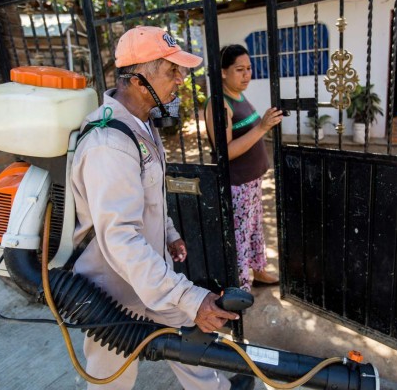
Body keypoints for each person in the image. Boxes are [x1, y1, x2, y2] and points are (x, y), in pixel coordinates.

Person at [71, 26, 253, 390]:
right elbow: (120, 238)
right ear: (139, 79)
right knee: (111, 378)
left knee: (190, 340)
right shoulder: (109, 143)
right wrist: (189, 296)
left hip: (150, 273)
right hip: (113, 290)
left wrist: (168, 233)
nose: (181, 80)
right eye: (172, 71)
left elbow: (149, 197)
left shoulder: (142, 126)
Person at [205, 44, 283, 292]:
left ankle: (258, 272)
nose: (247, 74)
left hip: (252, 181)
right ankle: (241, 290)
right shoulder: (219, 103)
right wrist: (262, 128)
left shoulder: (239, 94)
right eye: (240, 69)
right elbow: (224, 151)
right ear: (223, 72)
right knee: (239, 238)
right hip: (236, 185)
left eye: (249, 68)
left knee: (254, 231)